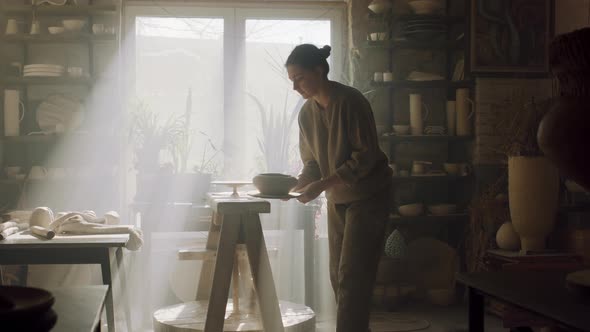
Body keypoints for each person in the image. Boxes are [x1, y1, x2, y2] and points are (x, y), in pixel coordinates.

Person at [286, 44, 393, 332]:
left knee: (353, 274)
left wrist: (321, 184)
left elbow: (364, 158)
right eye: (292, 81)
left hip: (369, 195)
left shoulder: (351, 101)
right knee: (337, 275)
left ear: (319, 70)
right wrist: (300, 184)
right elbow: (312, 162)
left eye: (299, 78)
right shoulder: (307, 114)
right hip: (337, 198)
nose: (296, 87)